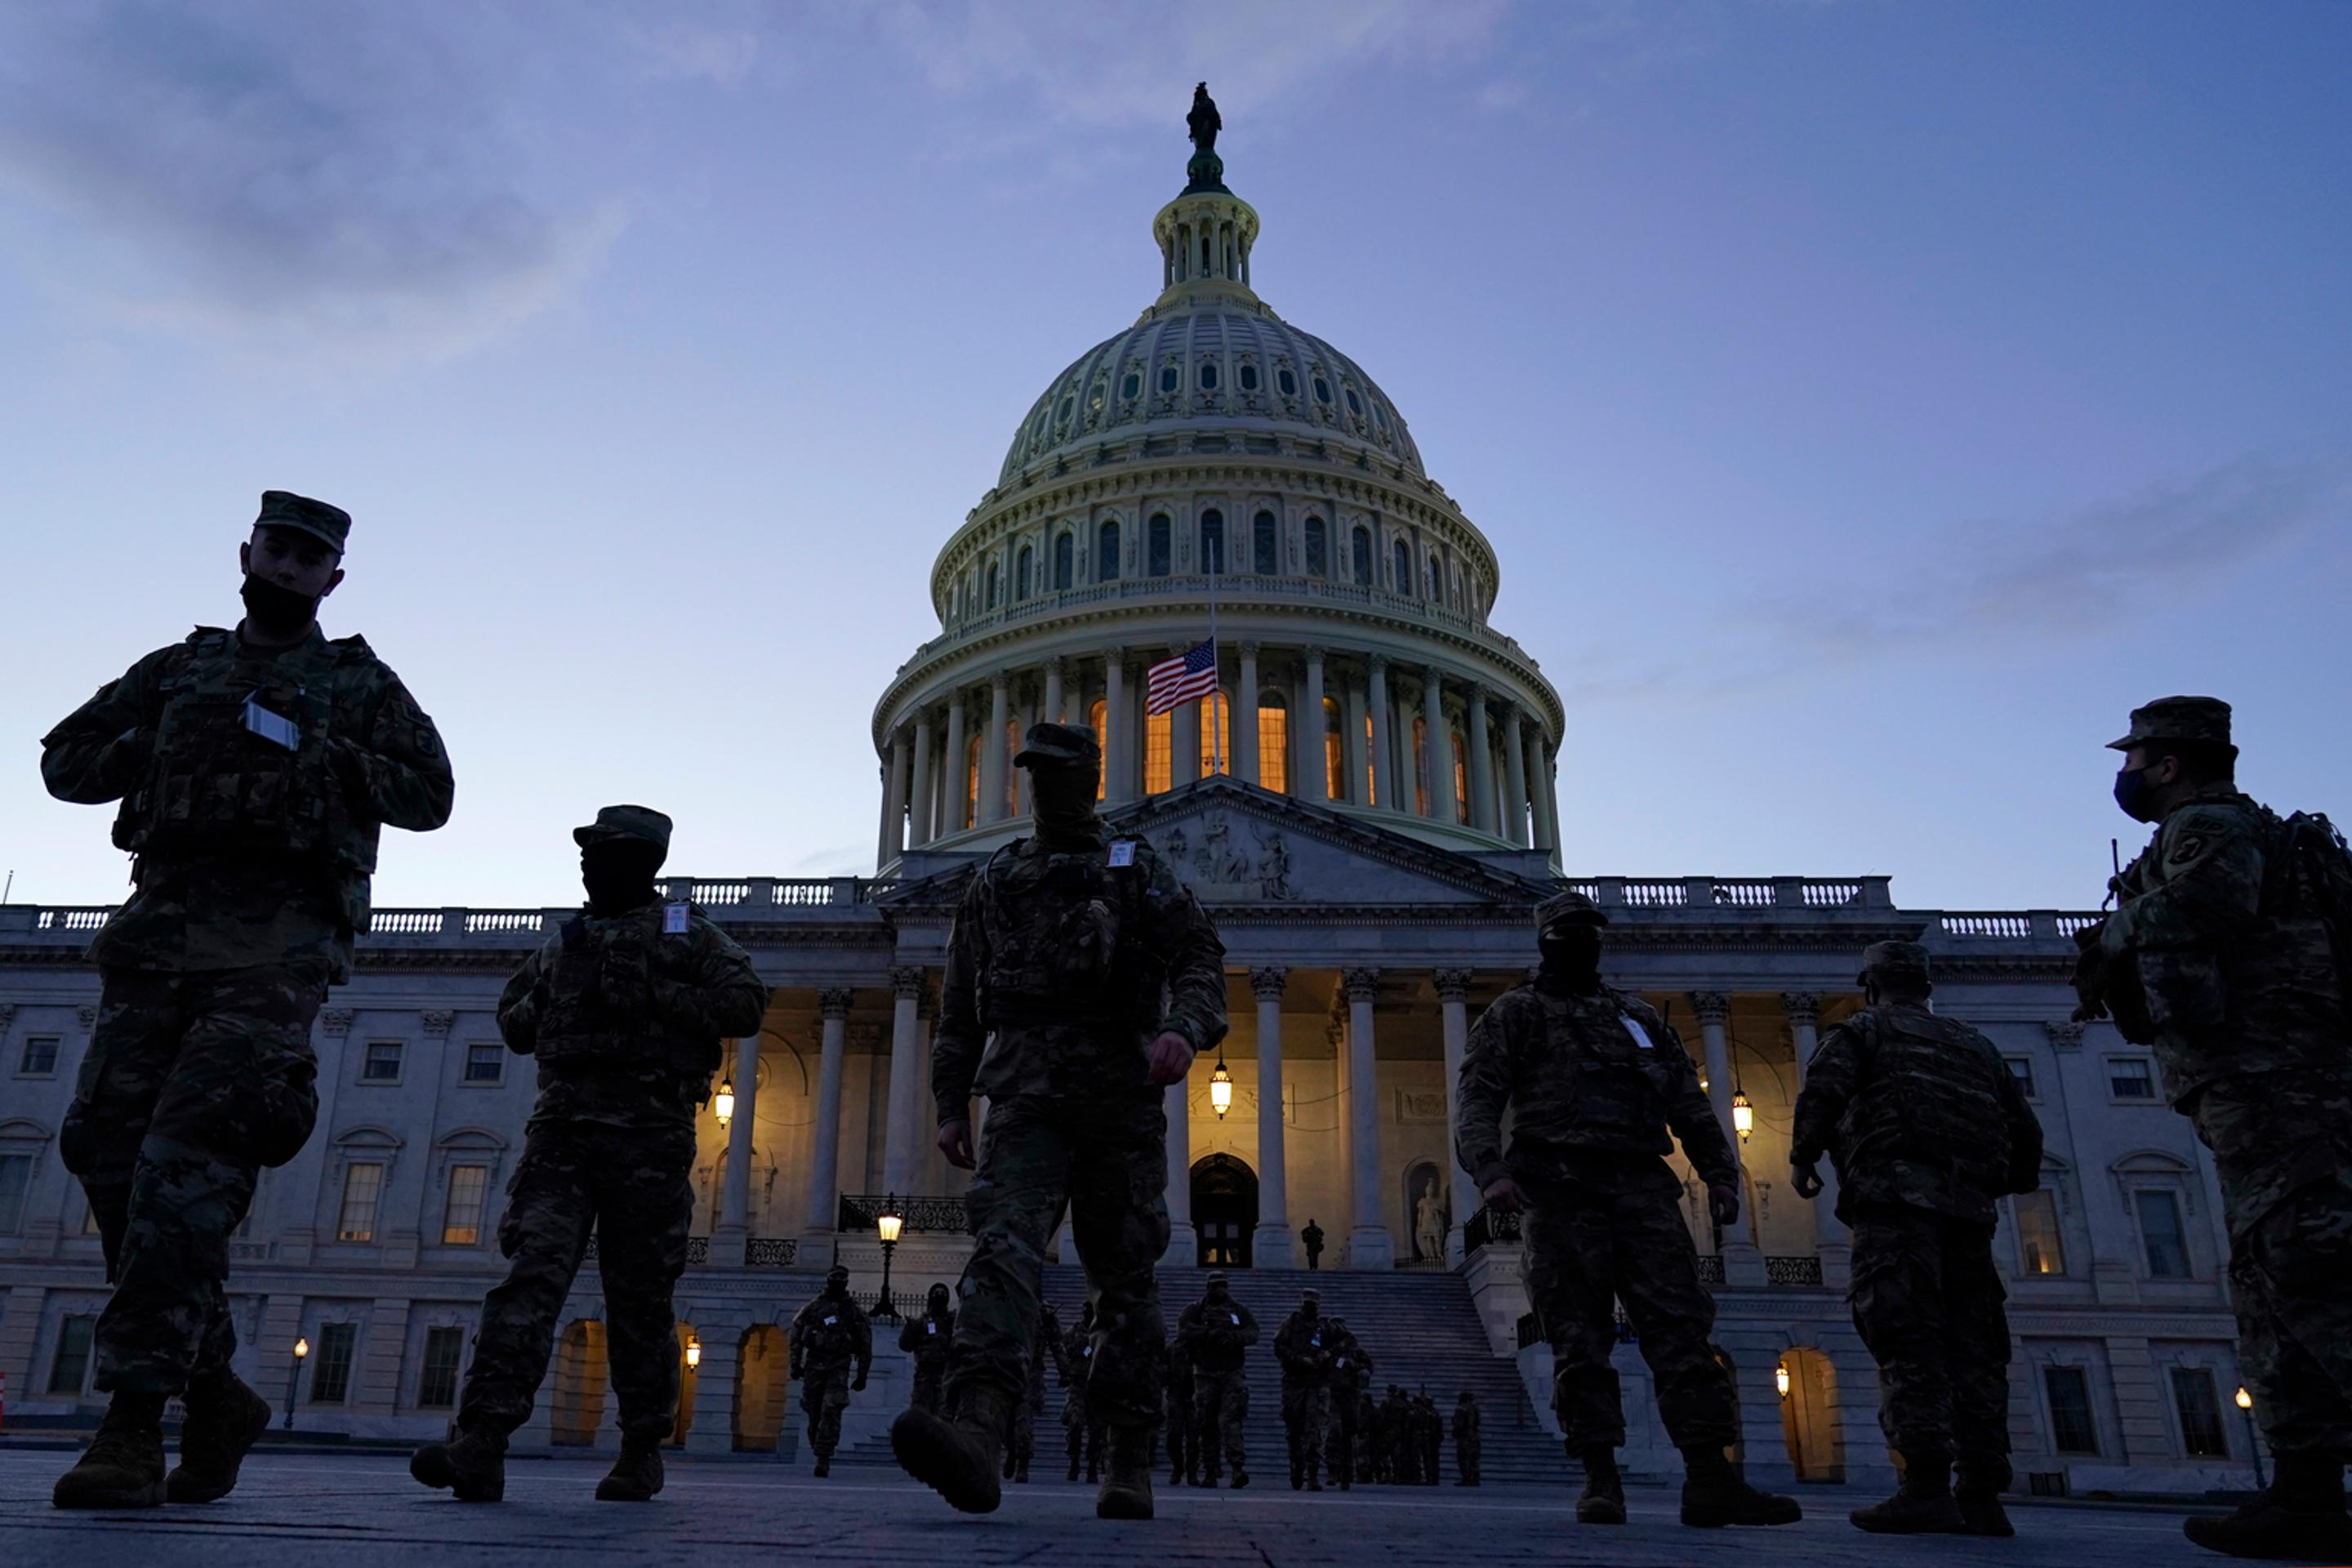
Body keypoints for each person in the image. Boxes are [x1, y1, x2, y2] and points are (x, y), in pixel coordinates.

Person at [43, 491, 454, 1510]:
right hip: (158, 939)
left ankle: (134, 1425)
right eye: (278, 547)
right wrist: (171, 744)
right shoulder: (178, 670)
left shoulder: (358, 682)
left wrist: (309, 749)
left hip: (276, 948)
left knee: (186, 1168)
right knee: (106, 1155)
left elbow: (431, 796)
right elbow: (65, 764)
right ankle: (216, 1388)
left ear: (333, 579)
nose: (289, 566)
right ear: (247, 551)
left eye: (310, 557)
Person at [893, 722, 1228, 1521]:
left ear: (1091, 780)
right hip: (1025, 1098)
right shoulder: (998, 880)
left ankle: (1129, 1453)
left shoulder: (1134, 868)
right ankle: (976, 1430)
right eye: (1036, 775)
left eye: (1061, 774)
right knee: (1002, 1254)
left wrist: (1185, 1026)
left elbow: (1200, 957)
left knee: (1124, 1280)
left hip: (1117, 1100)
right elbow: (960, 1000)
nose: (1047, 789)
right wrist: (949, 1103)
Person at [411, 805, 764, 1503]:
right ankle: (481, 1437)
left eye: (600, 853)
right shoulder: (562, 943)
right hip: (562, 1136)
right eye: (585, 853)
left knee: (639, 1297)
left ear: (642, 863)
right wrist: (556, 1006)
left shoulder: (690, 935)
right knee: (527, 1284)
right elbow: (513, 1021)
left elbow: (746, 1007)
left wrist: (652, 995)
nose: (585, 863)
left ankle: (640, 1449)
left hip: (648, 1140)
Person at [2076, 697, 2352, 1562]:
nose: (2123, 774)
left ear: (2166, 763)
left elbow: (2210, 910)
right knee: (2276, 1282)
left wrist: (2112, 936)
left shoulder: (2213, 826)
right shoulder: (2211, 831)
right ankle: (2305, 1495)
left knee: (2314, 1272)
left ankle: (2306, 1491)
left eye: (2134, 758)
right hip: (2251, 1084)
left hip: (2286, 1083)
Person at [1457, 889, 1801, 1530]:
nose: (1582, 943)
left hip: (1643, 1190)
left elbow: (1688, 1102)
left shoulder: (1638, 1017)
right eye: (1568, 934)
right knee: (1578, 1340)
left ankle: (1708, 1474)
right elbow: (1477, 1096)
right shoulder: (1516, 1014)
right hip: (1560, 1192)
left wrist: (1722, 1174)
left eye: (1589, 932)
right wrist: (1490, 1168)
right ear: (1545, 944)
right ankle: (1600, 1478)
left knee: (1682, 1334)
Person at [1792, 942, 2042, 1535]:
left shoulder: (1863, 1031)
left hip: (1896, 1203)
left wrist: (1804, 1158)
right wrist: (1987, 1187)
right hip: (1969, 1215)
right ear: (1927, 986)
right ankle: (1982, 1493)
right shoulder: (1975, 1045)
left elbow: (1823, 1094)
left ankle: (1926, 1485)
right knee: (1976, 1351)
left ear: (1871, 985)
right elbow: (2026, 1135)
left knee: (1909, 1340)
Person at [790, 1266, 875, 1477]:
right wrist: (795, 1363)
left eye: (841, 1279)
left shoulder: (853, 1311)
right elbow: (796, 1331)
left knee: (831, 1410)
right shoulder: (814, 1307)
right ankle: (818, 1446)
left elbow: (865, 1343)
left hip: (838, 1366)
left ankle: (823, 1457)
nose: (837, 1282)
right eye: (834, 1278)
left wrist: (862, 1375)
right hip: (814, 1364)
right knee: (814, 1412)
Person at [1178, 1270, 1258, 1488]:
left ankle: (1237, 1467)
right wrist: (1207, 1334)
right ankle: (1210, 1471)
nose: (1220, 1289)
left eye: (1223, 1285)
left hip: (1231, 1372)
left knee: (1231, 1421)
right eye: (1216, 1285)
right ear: (1208, 1288)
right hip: (1205, 1373)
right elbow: (1183, 1329)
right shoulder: (1196, 1310)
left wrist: (1234, 1338)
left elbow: (1253, 1333)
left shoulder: (1239, 1311)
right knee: (1207, 1423)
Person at [1273, 1285, 1331, 1490]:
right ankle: (1297, 1468)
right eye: (1307, 1305)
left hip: (1316, 1384)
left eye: (1313, 1306)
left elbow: (1345, 1344)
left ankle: (1313, 1474)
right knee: (1294, 1430)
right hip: (1294, 1383)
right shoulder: (1290, 1325)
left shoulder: (1324, 1328)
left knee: (1314, 1429)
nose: (1310, 1309)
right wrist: (1300, 1360)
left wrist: (1327, 1355)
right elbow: (1279, 1348)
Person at [1004, 1300, 1058, 1485]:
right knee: (1004, 1420)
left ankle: (1023, 1463)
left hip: (1030, 1373)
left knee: (1023, 1420)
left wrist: (1066, 1370)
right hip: (1007, 1370)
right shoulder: (1006, 1304)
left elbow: (1056, 1343)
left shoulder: (1044, 1314)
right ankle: (1011, 1449)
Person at [1324, 1316, 1371, 1490]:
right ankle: (1332, 1471)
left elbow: (1368, 1367)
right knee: (1334, 1430)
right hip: (1333, 1394)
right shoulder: (1328, 1347)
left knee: (1349, 1435)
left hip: (1351, 1396)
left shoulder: (1355, 1350)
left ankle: (1347, 1473)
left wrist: (1355, 1365)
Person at [1061, 1301, 1102, 1483]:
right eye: (1084, 1310)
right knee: (1076, 1424)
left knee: (1096, 1429)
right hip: (1077, 1384)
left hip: (1096, 1386)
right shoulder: (1074, 1331)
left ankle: (1092, 1465)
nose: (1086, 1313)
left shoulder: (1101, 1331)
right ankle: (1074, 1462)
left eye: (1090, 1310)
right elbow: (1063, 1349)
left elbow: (1102, 1352)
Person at [901, 1283, 956, 1414]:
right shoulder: (922, 1322)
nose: (939, 1296)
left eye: (943, 1293)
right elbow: (905, 1346)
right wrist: (909, 1329)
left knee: (944, 1415)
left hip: (946, 1375)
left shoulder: (952, 1322)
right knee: (921, 1415)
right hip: (924, 1376)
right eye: (936, 1293)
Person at [1165, 1330, 1196, 1486]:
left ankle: (1192, 1472)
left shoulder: (1198, 1346)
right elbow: (1162, 1366)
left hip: (1194, 1396)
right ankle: (1177, 1466)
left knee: (1194, 1438)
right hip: (1175, 1395)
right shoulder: (1171, 1347)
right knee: (1173, 1434)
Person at [1378, 1385, 1411, 1484]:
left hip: (1387, 1430)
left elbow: (1381, 1418)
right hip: (1399, 1431)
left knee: (1384, 1453)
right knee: (1396, 1455)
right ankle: (1397, 1476)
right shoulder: (1403, 1404)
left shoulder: (1386, 1403)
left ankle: (1388, 1474)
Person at [1453, 1390, 1482, 1486]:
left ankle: (1467, 1478)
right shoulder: (1475, 1409)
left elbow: (1458, 1424)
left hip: (1464, 1436)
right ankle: (1475, 1477)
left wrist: (1456, 1431)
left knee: (1463, 1457)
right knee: (1474, 1458)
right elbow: (1478, 1421)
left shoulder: (1461, 1409)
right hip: (1474, 1435)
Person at [1414, 1388, 1443, 1484]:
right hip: (1431, 1438)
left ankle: (1429, 1478)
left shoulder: (1427, 1413)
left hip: (1430, 1438)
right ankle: (1432, 1478)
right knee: (1431, 1459)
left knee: (1429, 1459)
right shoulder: (1434, 1412)